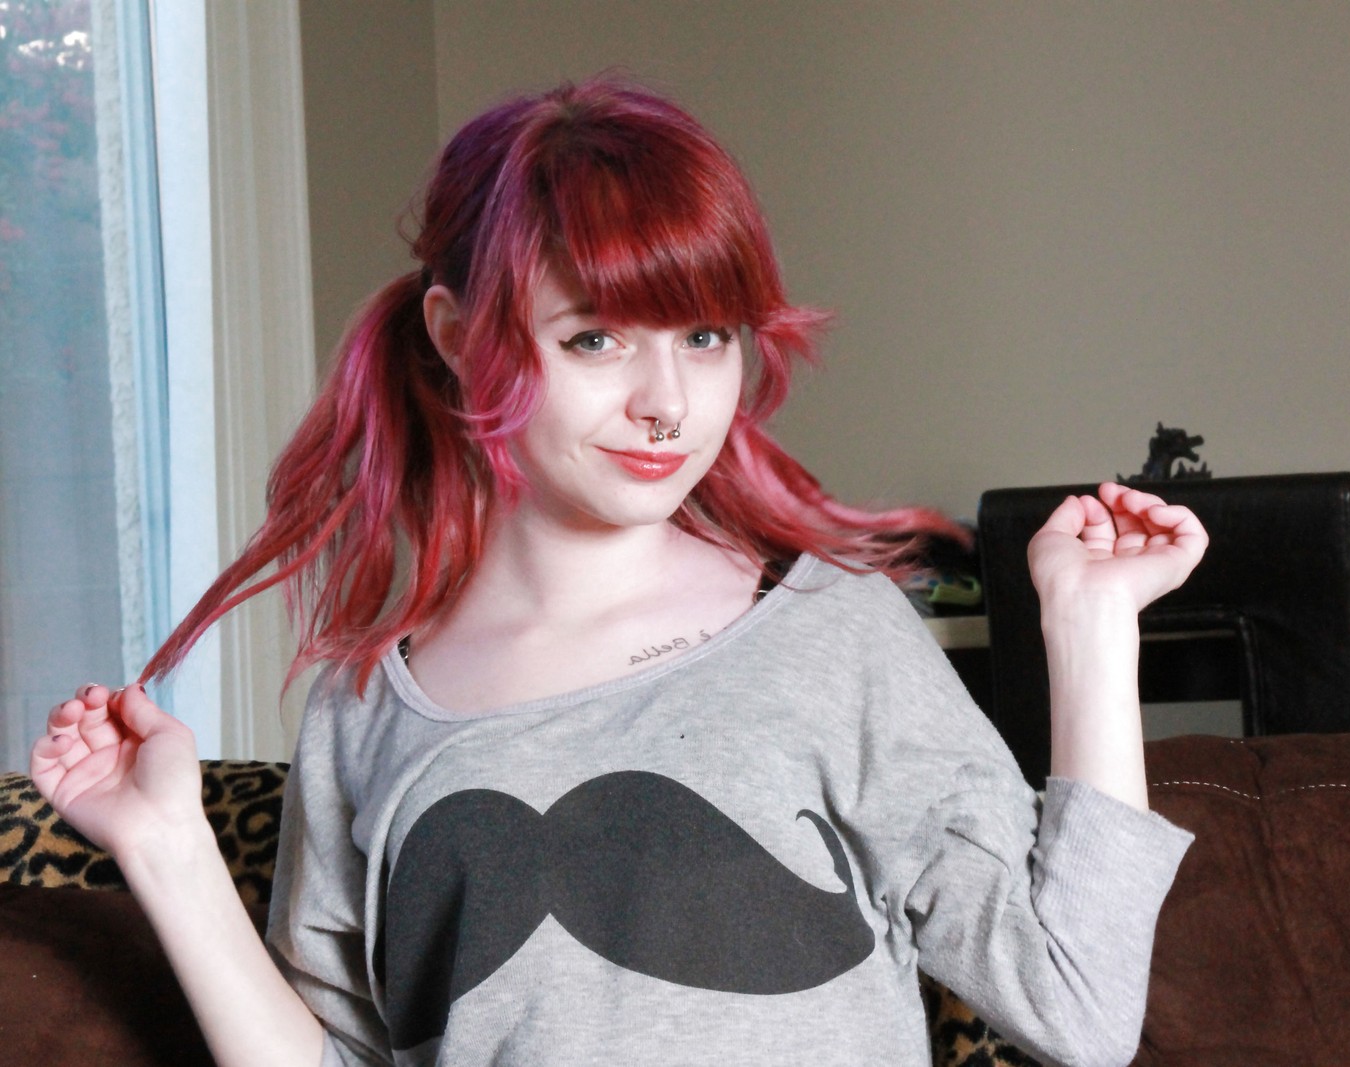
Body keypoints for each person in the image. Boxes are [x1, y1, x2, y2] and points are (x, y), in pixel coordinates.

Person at [31, 78, 1204, 1067]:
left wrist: (1090, 625)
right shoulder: (367, 702)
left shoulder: (832, 632)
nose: (666, 402)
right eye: (594, 337)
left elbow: (1076, 1005)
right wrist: (167, 847)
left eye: (705, 335)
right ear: (457, 335)